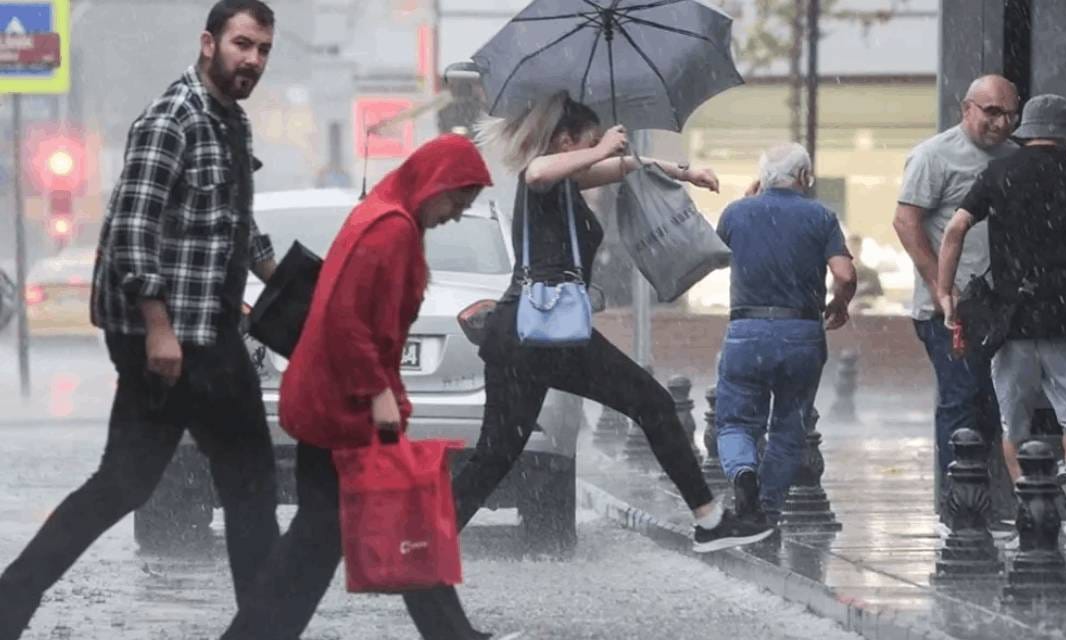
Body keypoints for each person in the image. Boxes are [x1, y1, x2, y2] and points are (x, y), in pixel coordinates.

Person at [0, 3, 281, 637]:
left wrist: (284, 281)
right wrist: (159, 329)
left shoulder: (230, 123)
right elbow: (132, 229)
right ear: (208, 43)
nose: (253, 61)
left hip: (209, 330)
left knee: (133, 484)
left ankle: (10, 601)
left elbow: (235, 223)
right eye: (243, 44)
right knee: (243, 482)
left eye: (263, 49)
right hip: (174, 337)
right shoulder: (171, 119)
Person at [453, 91, 773, 554]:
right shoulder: (544, 177)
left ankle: (422, 541)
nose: (594, 153)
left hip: (523, 336)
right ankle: (710, 520)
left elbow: (629, 167)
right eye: (584, 143)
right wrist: (602, 147)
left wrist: (687, 174)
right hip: (541, 333)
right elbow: (536, 170)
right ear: (566, 142)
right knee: (655, 405)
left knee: (495, 457)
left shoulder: (566, 184)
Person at [221, 134, 497, 640]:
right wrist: (377, 390)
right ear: (436, 184)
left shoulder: (386, 215)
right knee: (342, 533)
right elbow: (348, 319)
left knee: (367, 526)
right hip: (341, 408)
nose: (457, 213)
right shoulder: (391, 231)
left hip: (330, 400)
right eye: (459, 200)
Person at [937, 94, 1066, 543]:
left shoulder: (999, 173)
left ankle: (1029, 508)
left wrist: (945, 290)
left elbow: (956, 228)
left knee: (1012, 421)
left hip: (1011, 316)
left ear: (1026, 129)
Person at [892, 75, 1019, 506]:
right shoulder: (933, 156)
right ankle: (959, 507)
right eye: (991, 112)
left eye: (1010, 113)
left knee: (992, 404)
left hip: (1001, 308)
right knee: (962, 402)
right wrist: (938, 286)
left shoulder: (1015, 157)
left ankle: (983, 503)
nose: (1002, 122)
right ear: (966, 109)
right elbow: (906, 223)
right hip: (948, 309)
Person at [714, 143, 857, 523]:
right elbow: (844, 274)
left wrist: (747, 202)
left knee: (736, 422)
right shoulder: (821, 216)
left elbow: (714, 255)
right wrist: (839, 305)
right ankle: (769, 508)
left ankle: (743, 475)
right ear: (806, 177)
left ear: (762, 178)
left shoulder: (736, 214)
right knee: (789, 426)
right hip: (801, 332)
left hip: (747, 330)